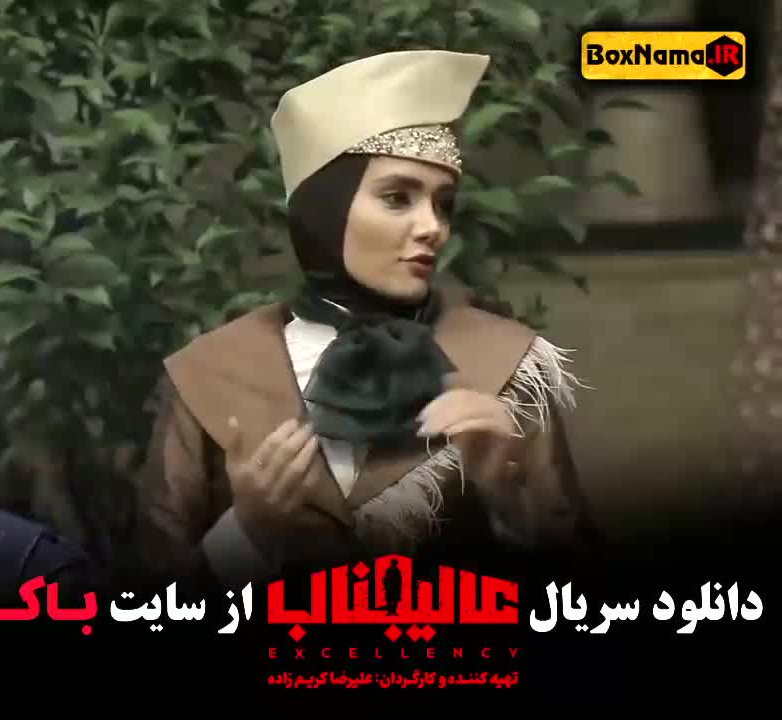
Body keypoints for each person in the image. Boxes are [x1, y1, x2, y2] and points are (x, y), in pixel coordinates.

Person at [128, 49, 602, 589]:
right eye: (398, 198)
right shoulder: (212, 373)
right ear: (324, 209)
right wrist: (246, 536)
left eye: (443, 204)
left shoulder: (504, 365)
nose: (433, 228)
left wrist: (510, 507)